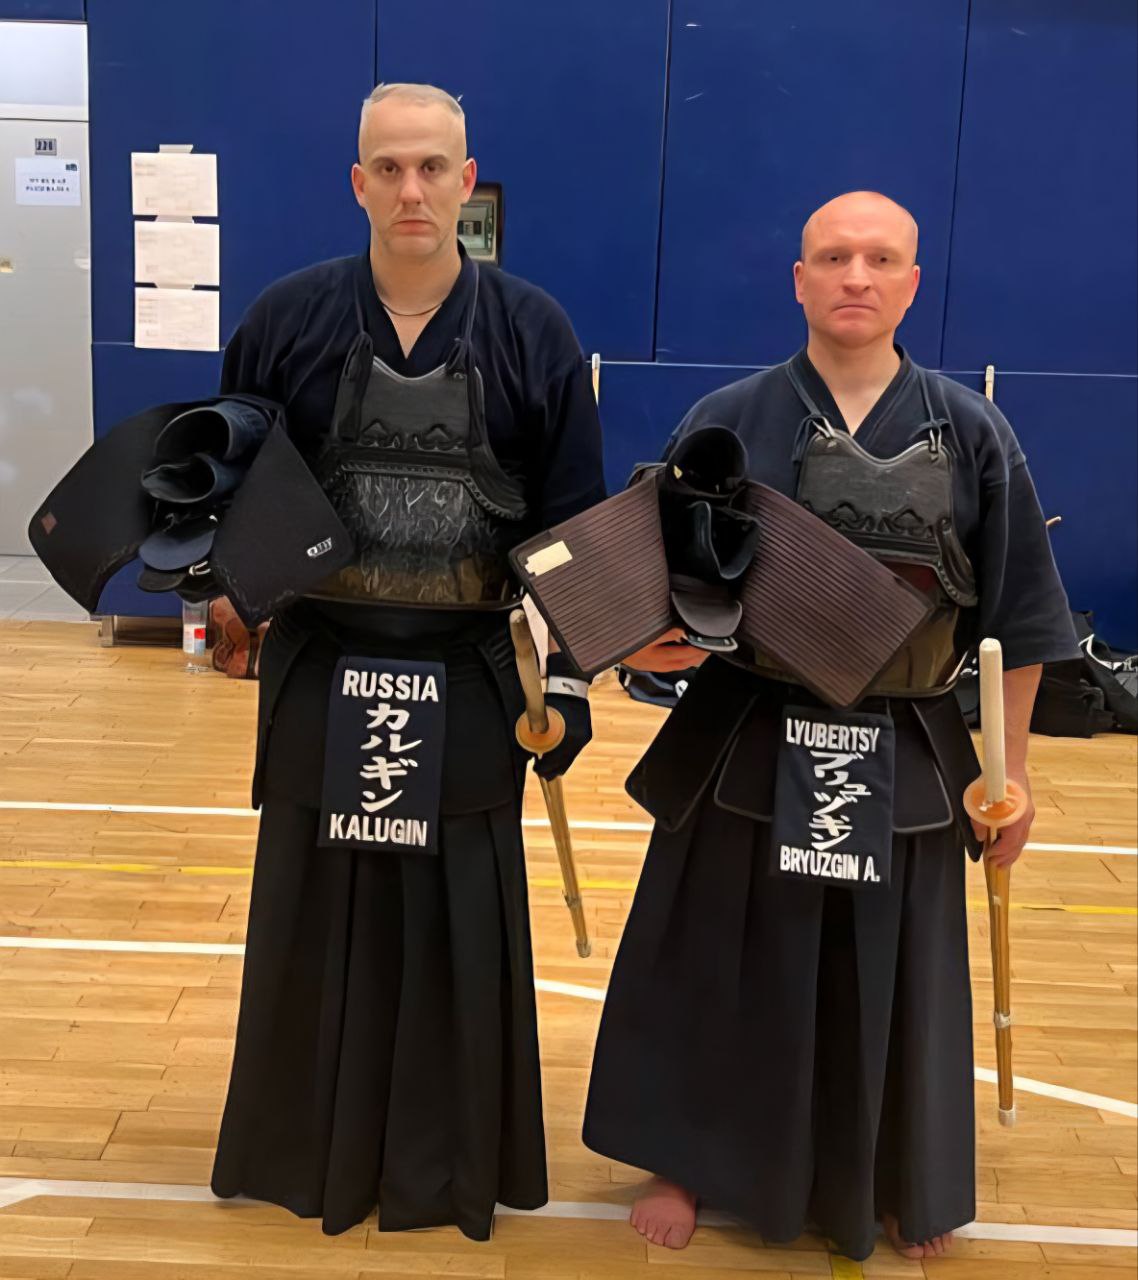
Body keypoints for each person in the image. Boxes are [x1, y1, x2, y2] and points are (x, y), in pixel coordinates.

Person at [583, 191, 1078, 1262]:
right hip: (750, 732)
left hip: (906, 741)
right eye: (835, 257)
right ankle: (688, 1156)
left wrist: (1015, 774)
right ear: (799, 280)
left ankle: (891, 1172)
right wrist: (642, 642)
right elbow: (652, 588)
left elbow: (1023, 622)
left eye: (881, 259)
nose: (857, 276)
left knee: (886, 965)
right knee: (714, 952)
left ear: (913, 283)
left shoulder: (974, 432)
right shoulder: (728, 419)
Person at [210, 82, 605, 1241]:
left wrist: (568, 679)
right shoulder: (286, 318)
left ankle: (445, 1161)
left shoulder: (533, 330)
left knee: (455, 922)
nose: (412, 189)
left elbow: (569, 527)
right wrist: (226, 593)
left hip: (474, 672)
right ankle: (305, 1148)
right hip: (324, 665)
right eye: (388, 167)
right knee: (314, 910)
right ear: (358, 183)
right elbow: (228, 485)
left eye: (433, 166)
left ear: (467, 179)